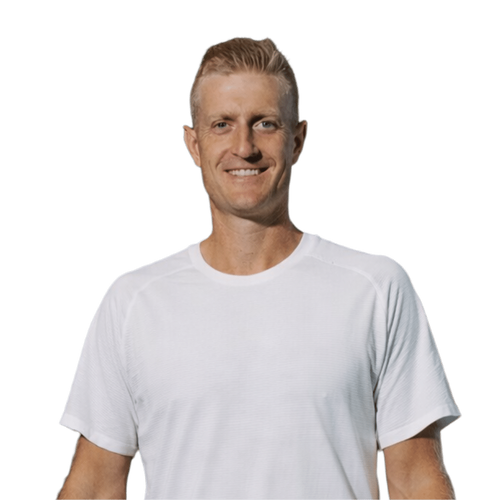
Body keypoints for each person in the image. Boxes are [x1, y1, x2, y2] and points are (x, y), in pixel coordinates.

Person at [55, 34, 463, 499]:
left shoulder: (376, 287)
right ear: (193, 143)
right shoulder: (132, 301)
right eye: (222, 125)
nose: (244, 146)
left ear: (298, 138)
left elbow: (416, 481)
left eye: (265, 123)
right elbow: (95, 487)